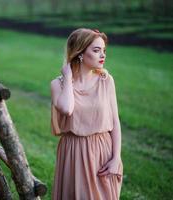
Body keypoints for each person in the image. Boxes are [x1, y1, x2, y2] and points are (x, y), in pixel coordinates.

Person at [50, 28, 123, 200]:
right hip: (73, 152)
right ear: (80, 53)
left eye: (104, 50)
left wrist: (116, 158)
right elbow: (67, 108)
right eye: (96, 50)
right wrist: (68, 78)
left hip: (102, 151)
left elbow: (115, 121)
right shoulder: (57, 85)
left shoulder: (106, 81)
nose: (102, 55)